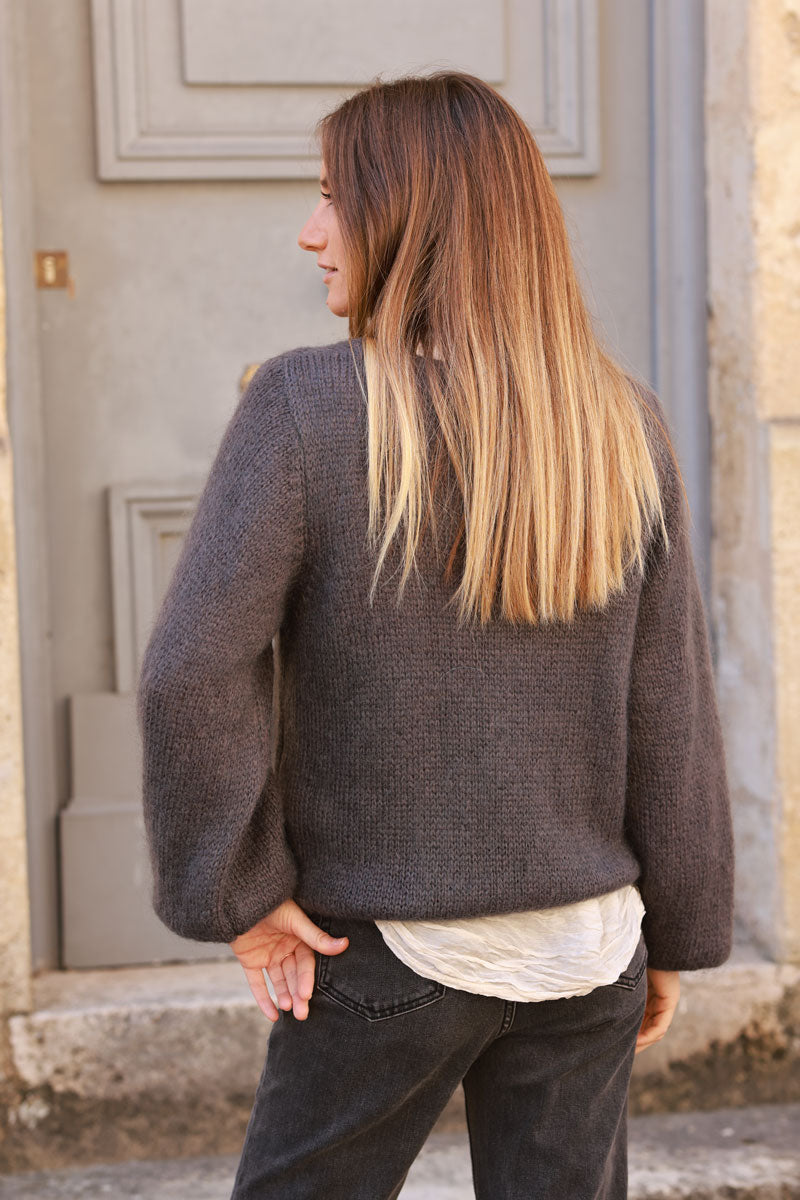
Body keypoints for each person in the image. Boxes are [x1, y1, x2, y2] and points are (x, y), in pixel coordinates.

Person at [136, 70, 735, 1200]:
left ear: (416, 217)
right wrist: (677, 933)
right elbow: (673, 710)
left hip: (388, 951)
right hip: (587, 946)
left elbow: (189, 673)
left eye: (334, 199)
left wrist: (239, 890)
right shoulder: (618, 420)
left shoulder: (306, 408)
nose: (309, 232)